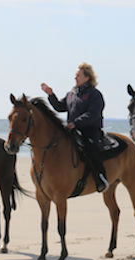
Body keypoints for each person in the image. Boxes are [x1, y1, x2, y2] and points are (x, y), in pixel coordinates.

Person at [41, 62, 109, 193]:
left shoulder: (95, 94)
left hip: (90, 130)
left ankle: (100, 177)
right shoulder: (71, 94)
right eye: (76, 75)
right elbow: (60, 107)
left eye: (78, 75)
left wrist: (75, 123)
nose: (75, 78)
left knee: (90, 147)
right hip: (73, 130)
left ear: (87, 77)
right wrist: (51, 94)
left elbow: (93, 114)